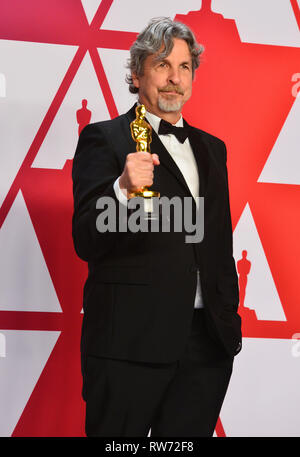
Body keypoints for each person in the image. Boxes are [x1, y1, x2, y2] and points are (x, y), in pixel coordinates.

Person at [72, 17, 242, 437]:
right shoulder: (105, 138)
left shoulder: (212, 149)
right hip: (128, 344)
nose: (174, 78)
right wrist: (122, 190)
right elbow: (86, 238)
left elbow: (216, 240)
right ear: (136, 73)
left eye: (185, 67)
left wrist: (227, 322)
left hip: (206, 344)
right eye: (162, 64)